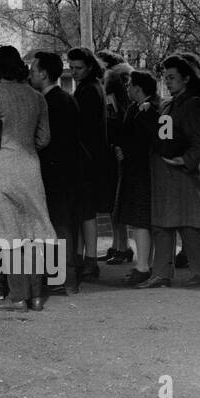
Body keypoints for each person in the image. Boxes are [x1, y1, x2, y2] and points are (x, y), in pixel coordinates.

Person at [0, 46, 54, 312]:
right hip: (30, 167)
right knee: (33, 231)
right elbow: (44, 138)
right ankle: (38, 294)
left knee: (8, 234)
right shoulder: (37, 98)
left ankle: (18, 297)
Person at [140, 53, 200, 289]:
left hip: (181, 176)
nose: (168, 81)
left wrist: (184, 160)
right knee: (162, 224)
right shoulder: (171, 103)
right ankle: (161, 274)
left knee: (187, 224)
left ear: (186, 78)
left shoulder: (192, 104)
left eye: (172, 77)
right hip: (165, 175)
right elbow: (164, 131)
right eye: (166, 77)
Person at [30, 51, 81, 295]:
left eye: (33, 70)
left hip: (53, 173)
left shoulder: (48, 103)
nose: (30, 75)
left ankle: (62, 278)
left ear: (43, 73)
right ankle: (65, 277)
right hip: (69, 171)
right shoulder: (68, 99)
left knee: (57, 227)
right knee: (64, 226)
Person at [112, 69, 159, 286]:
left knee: (141, 221)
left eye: (130, 85)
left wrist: (126, 151)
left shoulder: (151, 111)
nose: (127, 88)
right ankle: (143, 264)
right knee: (140, 221)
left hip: (142, 171)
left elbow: (147, 142)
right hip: (136, 170)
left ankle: (143, 267)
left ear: (138, 88)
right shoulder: (135, 108)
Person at [66, 47, 108, 283]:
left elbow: (82, 127)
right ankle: (87, 258)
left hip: (87, 157)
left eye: (78, 68)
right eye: (71, 67)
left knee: (85, 212)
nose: (73, 72)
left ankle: (89, 260)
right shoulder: (92, 87)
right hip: (92, 155)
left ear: (89, 66)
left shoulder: (87, 91)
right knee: (85, 211)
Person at [98, 51, 134, 264]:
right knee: (115, 201)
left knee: (117, 201)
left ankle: (122, 247)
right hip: (119, 147)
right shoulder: (121, 83)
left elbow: (115, 118)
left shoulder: (113, 85)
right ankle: (117, 245)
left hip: (116, 149)